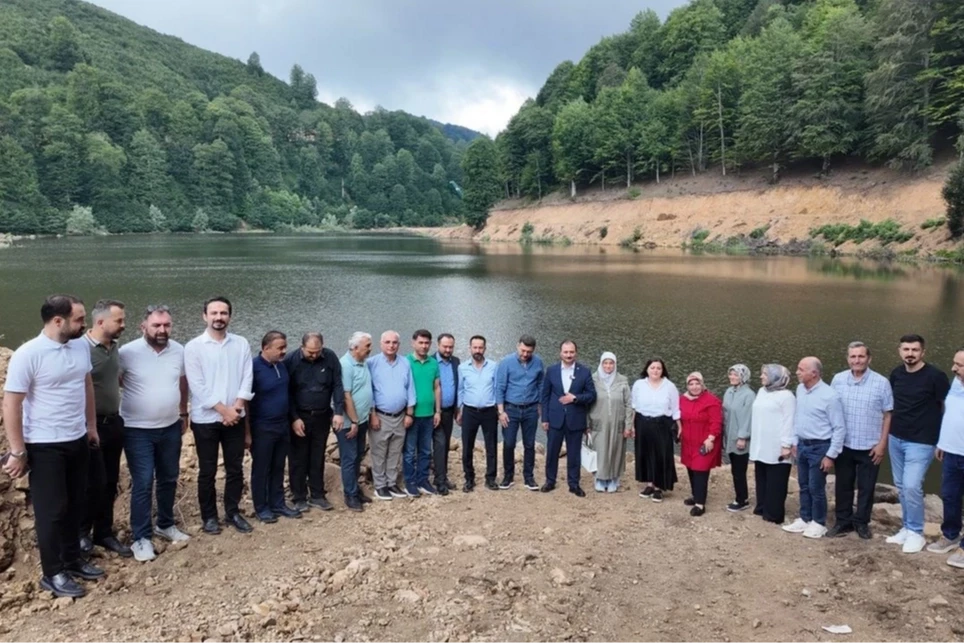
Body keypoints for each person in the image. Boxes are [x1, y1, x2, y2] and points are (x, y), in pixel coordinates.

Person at [2, 294, 104, 598]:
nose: (84, 324)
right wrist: (18, 451)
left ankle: (73, 560)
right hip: (45, 445)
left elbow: (86, 384)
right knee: (52, 511)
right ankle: (53, 572)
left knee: (76, 504)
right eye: (79, 319)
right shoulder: (29, 354)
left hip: (77, 439)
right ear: (58, 321)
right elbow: (12, 403)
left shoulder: (79, 346)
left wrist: (91, 426)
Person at [120, 304, 190, 563]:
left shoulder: (179, 350)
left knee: (169, 477)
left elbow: (182, 382)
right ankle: (141, 537)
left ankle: (165, 524)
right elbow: (115, 381)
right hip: (136, 429)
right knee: (143, 481)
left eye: (166, 325)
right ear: (143, 327)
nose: (162, 330)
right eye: (156, 325)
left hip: (170, 426)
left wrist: (183, 412)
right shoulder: (127, 352)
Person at [184, 296, 254, 535]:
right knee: (207, 471)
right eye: (214, 313)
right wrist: (225, 411)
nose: (219, 317)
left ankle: (233, 511)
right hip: (206, 420)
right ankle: (209, 517)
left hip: (235, 416)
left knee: (235, 468)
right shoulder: (194, 347)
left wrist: (237, 407)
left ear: (230, 316)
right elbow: (197, 385)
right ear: (205, 316)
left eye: (223, 313)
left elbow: (247, 377)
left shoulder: (241, 343)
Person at [886, 334, 950, 554]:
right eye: (906, 349)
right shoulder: (896, 374)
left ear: (923, 352)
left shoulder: (936, 376)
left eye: (914, 350)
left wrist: (943, 440)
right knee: (901, 486)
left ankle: (916, 532)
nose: (910, 354)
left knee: (912, 485)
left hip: (922, 441)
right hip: (896, 437)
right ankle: (906, 527)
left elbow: (946, 407)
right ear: (900, 351)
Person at [80, 299, 132, 558]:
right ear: (100, 322)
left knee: (110, 481)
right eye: (119, 320)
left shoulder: (113, 347)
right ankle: (81, 534)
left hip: (114, 423)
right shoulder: (80, 349)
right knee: (90, 482)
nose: (123, 324)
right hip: (89, 427)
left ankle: (104, 532)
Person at [828, 342, 894, 540]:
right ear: (848, 359)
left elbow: (888, 415)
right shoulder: (838, 380)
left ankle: (862, 523)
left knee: (867, 487)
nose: (857, 360)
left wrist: (882, 444)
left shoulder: (881, 382)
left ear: (869, 358)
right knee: (843, 485)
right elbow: (830, 410)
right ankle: (843, 521)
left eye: (861, 356)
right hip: (844, 444)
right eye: (853, 356)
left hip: (870, 445)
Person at [781, 357, 846, 539]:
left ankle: (819, 522)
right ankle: (805, 518)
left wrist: (831, 455)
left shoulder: (830, 396)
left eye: (801, 369)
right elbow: (798, 418)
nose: (797, 372)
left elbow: (839, 428)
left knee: (816, 487)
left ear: (814, 373)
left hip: (820, 447)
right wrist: (795, 441)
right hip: (802, 445)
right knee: (803, 485)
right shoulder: (800, 389)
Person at [283, 332, 345, 513]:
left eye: (318, 351)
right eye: (310, 352)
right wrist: (294, 418)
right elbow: (286, 392)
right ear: (302, 347)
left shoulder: (330, 357)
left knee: (317, 457)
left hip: (322, 416)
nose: (314, 355)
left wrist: (338, 412)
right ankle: (299, 496)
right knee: (298, 458)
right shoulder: (291, 360)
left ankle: (317, 495)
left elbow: (337, 385)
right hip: (299, 417)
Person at [249, 331, 301, 523]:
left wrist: (293, 418)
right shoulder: (253, 368)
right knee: (262, 468)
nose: (284, 351)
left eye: (285, 347)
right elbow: (245, 401)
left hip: (282, 425)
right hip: (262, 427)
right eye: (280, 348)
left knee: (278, 466)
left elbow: (288, 395)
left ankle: (278, 503)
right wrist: (247, 432)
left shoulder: (282, 366)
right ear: (266, 348)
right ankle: (261, 507)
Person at [540, 340, 596, 497]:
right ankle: (550, 481)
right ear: (560, 353)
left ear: (576, 353)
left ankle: (574, 484)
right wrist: (545, 418)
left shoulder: (584, 372)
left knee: (574, 454)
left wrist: (575, 398)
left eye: (571, 352)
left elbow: (592, 395)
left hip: (575, 419)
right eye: (566, 352)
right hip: (555, 418)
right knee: (552, 452)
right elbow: (545, 396)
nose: (568, 355)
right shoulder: (551, 370)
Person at [368, 331, 415, 501]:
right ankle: (380, 485)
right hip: (381, 416)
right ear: (381, 344)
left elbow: (410, 388)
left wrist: (409, 413)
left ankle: (392, 483)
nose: (391, 345)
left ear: (399, 345)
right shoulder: (372, 363)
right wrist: (373, 414)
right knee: (379, 452)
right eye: (387, 342)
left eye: (394, 342)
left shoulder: (405, 363)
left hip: (401, 416)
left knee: (395, 451)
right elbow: (369, 391)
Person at [496, 335, 545, 490]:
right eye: (523, 350)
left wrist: (540, 405)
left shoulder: (538, 362)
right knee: (509, 443)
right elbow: (500, 387)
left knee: (529, 444)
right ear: (518, 346)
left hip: (531, 409)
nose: (525, 354)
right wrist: (501, 412)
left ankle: (529, 477)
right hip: (511, 409)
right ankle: (508, 476)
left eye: (528, 352)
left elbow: (540, 384)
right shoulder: (506, 362)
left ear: (533, 350)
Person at [930, 348, 964, 567]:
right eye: (955, 363)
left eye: (959, 365)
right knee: (950, 496)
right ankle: (951, 535)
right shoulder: (956, 383)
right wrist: (942, 442)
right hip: (952, 452)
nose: (953, 368)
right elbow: (951, 414)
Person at [749, 364, 795, 525]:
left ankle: (774, 514)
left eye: (765, 374)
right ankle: (762, 506)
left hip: (777, 445)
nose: (761, 376)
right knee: (761, 477)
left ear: (776, 377)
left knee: (776, 480)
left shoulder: (787, 396)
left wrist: (786, 444)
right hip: (761, 443)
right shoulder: (762, 391)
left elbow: (789, 421)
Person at [631, 358, 680, 502]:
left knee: (661, 454)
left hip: (662, 423)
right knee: (645, 453)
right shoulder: (639, 384)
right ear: (647, 369)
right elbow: (634, 406)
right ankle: (649, 484)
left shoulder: (669, 386)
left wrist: (679, 426)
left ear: (662, 370)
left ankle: (659, 487)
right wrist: (632, 425)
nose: (655, 370)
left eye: (658, 368)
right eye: (652, 367)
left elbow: (675, 408)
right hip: (642, 422)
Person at [338, 332, 374, 511]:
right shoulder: (346, 365)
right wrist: (353, 420)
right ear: (355, 347)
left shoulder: (363, 362)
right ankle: (350, 495)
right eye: (367, 346)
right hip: (349, 423)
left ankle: (355, 489)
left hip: (361, 420)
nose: (370, 349)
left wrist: (369, 413)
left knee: (358, 454)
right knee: (349, 458)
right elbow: (346, 395)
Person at [458, 335, 499, 492]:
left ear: (485, 349)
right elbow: (460, 390)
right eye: (475, 347)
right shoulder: (463, 368)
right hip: (470, 411)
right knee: (467, 446)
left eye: (480, 347)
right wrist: (459, 410)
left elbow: (497, 388)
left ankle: (491, 478)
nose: (477, 350)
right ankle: (469, 478)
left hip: (489, 411)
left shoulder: (493, 366)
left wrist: (499, 409)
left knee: (491, 446)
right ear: (470, 348)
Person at [679, 372, 723, 516]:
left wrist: (711, 438)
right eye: (691, 384)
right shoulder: (682, 399)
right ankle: (695, 495)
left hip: (704, 441)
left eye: (697, 383)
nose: (694, 387)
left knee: (700, 470)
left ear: (702, 384)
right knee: (691, 468)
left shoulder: (711, 400)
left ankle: (700, 504)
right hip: (688, 441)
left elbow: (716, 421)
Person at [588, 351, 632, 493]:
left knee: (615, 450)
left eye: (611, 363)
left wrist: (628, 425)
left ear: (615, 364)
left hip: (617, 422)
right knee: (600, 451)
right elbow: (586, 403)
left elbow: (629, 404)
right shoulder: (592, 379)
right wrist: (586, 424)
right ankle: (600, 479)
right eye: (605, 363)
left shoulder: (622, 381)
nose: (608, 366)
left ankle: (614, 479)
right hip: (598, 422)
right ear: (601, 364)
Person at [406, 329, 441, 496]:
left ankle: (423, 480)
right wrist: (407, 413)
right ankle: (410, 482)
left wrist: (438, 411)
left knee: (426, 450)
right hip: (412, 415)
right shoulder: (405, 362)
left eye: (427, 343)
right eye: (420, 342)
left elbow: (437, 387)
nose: (424, 346)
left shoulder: (433, 363)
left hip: (428, 415)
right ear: (413, 343)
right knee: (409, 452)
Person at [722, 364, 754, 512]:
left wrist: (743, 437)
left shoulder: (749, 395)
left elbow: (748, 417)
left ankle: (742, 500)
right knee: (734, 469)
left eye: (736, 375)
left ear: (743, 377)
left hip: (740, 439)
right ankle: (739, 496)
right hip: (729, 435)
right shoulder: (729, 391)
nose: (732, 377)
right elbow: (725, 413)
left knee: (739, 470)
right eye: (731, 374)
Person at [433, 333, 459, 495]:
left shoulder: (456, 362)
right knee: (440, 444)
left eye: (451, 347)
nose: (448, 350)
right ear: (438, 345)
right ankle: (440, 480)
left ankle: (441, 476)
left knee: (445, 445)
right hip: (433, 412)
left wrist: (457, 408)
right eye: (445, 347)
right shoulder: (430, 362)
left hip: (449, 411)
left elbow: (457, 385)